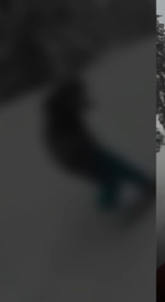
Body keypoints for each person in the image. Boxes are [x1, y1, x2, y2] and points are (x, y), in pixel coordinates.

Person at [43, 77, 153, 210]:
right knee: (110, 177)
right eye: (77, 96)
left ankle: (146, 185)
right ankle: (108, 207)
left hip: (85, 151)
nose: (79, 98)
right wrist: (77, 155)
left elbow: (79, 105)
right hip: (78, 157)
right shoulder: (59, 118)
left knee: (117, 168)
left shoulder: (64, 110)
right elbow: (62, 144)